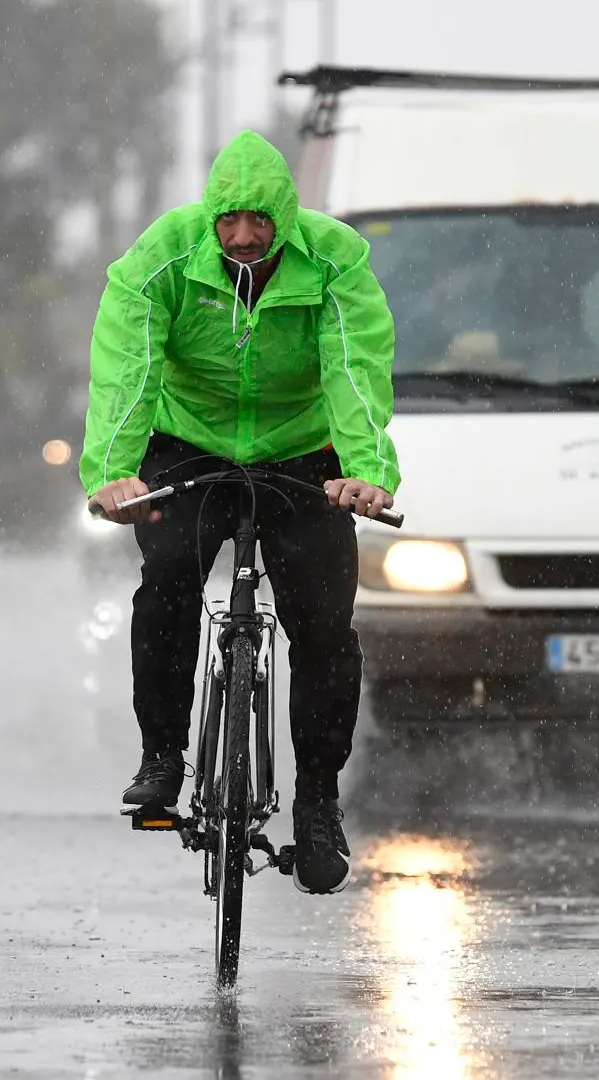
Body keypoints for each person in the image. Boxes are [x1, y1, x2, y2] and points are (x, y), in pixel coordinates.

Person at [81, 131, 401, 896]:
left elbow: (354, 367)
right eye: (230, 221)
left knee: (324, 626)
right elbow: (128, 367)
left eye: (261, 221)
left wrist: (365, 472)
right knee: (165, 582)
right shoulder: (163, 256)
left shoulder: (335, 259)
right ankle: (162, 755)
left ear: (285, 218)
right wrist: (113, 473)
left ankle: (318, 801)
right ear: (211, 217)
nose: (246, 236)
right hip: (188, 446)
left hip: (302, 453)